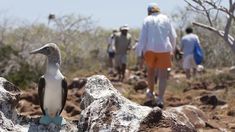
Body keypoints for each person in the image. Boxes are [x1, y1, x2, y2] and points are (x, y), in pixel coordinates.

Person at [138, 3, 177, 108]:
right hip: (164, 50)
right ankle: (160, 99)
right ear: (158, 10)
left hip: (150, 50)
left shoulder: (147, 19)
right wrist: (172, 50)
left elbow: (142, 38)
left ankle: (150, 93)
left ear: (149, 11)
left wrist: (139, 52)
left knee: (150, 73)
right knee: (163, 76)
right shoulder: (166, 18)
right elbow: (173, 36)